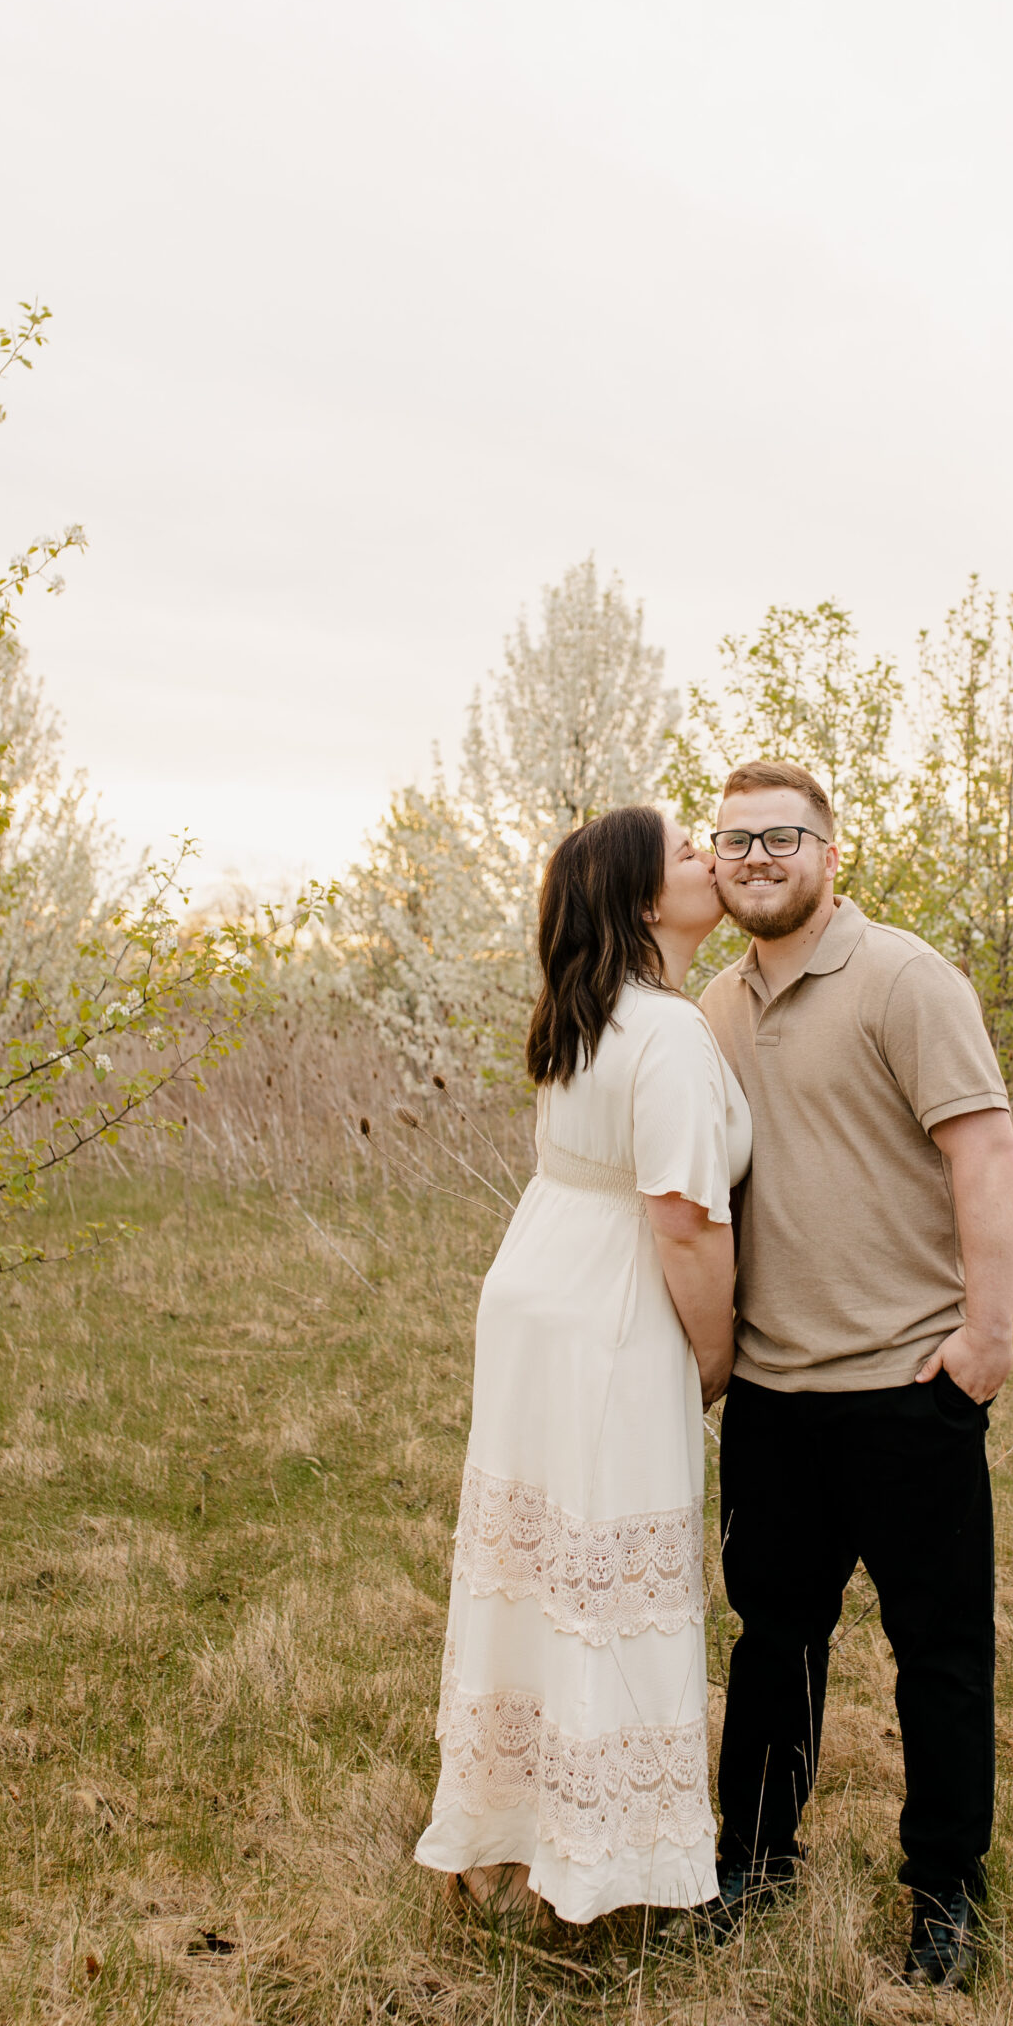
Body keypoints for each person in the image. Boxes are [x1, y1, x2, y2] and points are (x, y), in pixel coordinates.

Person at [698, 759, 1013, 1988]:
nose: (758, 857)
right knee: (774, 1640)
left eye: (783, 835)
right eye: (735, 841)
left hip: (908, 1387)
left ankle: (945, 1892)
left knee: (940, 1650)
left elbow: (982, 1155)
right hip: (775, 1397)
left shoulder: (904, 977)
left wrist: (982, 1340)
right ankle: (754, 1863)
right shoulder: (714, 1006)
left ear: (833, 853)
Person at [414, 805, 749, 1926]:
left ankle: (512, 1829)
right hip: (608, 1310)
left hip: (535, 1293)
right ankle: (609, 1859)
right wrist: (718, 1356)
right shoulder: (668, 1032)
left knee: (542, 1572)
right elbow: (685, 1222)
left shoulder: (586, 1015)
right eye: (692, 853)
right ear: (650, 901)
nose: (712, 859)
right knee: (608, 1581)